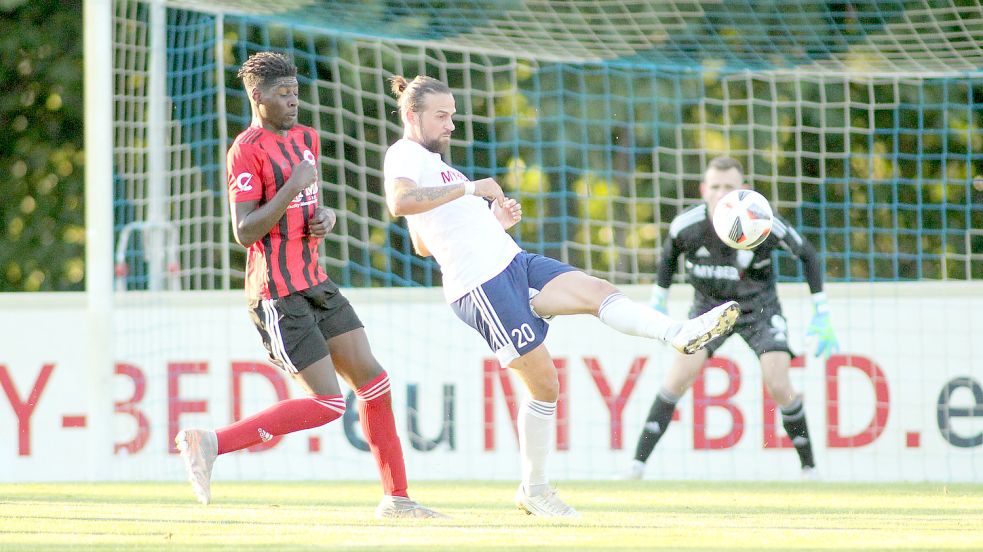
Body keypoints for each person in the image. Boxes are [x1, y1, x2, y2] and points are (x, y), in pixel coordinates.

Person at [382, 74, 740, 517]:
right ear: (413, 115)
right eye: (442, 116)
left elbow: (424, 240)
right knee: (545, 385)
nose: (451, 124)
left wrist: (492, 221)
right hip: (481, 286)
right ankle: (534, 489)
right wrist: (472, 189)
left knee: (598, 291)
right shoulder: (404, 154)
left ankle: (678, 333)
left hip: (514, 262)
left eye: (453, 114)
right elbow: (401, 203)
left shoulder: (439, 165)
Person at [175, 51, 445, 519]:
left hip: (316, 282)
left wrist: (325, 218)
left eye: (296, 93)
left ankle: (398, 500)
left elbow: (308, 207)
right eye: (282, 95)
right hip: (277, 294)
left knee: (375, 384)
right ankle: (210, 442)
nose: (293, 102)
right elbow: (245, 232)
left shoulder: (306, 139)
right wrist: (291, 187)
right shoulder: (245, 149)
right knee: (326, 403)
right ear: (258, 98)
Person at [626, 156, 839, 480]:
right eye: (715, 187)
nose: (721, 193)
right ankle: (636, 466)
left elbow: (806, 253)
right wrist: (659, 299)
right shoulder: (688, 225)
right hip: (708, 308)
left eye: (729, 187)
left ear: (744, 189)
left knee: (779, 382)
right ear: (703, 189)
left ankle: (810, 469)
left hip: (760, 308)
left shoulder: (763, 222)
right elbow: (668, 257)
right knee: (678, 377)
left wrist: (821, 311)